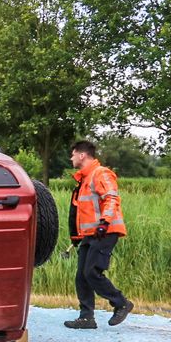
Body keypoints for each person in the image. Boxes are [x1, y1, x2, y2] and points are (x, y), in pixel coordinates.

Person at [64, 140, 133, 329]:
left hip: (105, 232)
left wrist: (104, 223)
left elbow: (111, 198)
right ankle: (86, 318)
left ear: (81, 155)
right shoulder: (84, 179)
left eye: (72, 154)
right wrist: (77, 237)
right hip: (90, 234)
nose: (71, 158)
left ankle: (121, 303)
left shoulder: (100, 173)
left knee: (91, 272)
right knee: (81, 276)